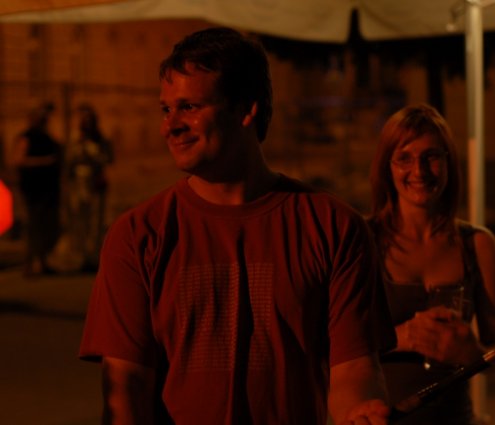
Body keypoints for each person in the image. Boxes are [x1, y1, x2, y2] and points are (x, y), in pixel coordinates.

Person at [79, 27, 395, 425]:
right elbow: (126, 389)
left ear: (246, 110)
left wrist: (361, 413)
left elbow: (354, 369)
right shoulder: (137, 236)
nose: (170, 126)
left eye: (189, 107)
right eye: (165, 109)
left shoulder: (333, 227)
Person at [368, 103, 495, 424]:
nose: (419, 171)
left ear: (448, 163)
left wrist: (472, 353)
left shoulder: (478, 245)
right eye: (404, 158)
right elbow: (328, 347)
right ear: (386, 166)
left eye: (431, 156)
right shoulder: (363, 241)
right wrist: (402, 336)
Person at [10, 102, 62, 276]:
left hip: (48, 189)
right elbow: (18, 160)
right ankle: (29, 264)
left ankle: (42, 262)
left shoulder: (47, 137)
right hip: (33, 190)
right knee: (33, 227)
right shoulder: (27, 137)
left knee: (45, 227)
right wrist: (44, 161)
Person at [65, 103, 114, 272]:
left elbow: (109, 159)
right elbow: (68, 163)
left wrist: (94, 152)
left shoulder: (102, 140)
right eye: (83, 119)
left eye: (88, 120)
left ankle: (94, 256)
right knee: (80, 221)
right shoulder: (75, 140)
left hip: (96, 184)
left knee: (96, 222)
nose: (85, 123)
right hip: (79, 185)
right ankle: (81, 256)